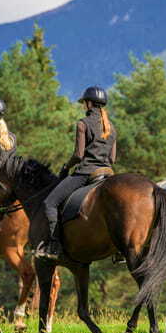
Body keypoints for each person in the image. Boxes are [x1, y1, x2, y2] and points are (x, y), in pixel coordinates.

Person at [40, 86, 117, 260]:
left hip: (87, 172)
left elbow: (78, 155)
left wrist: (66, 167)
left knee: (50, 203)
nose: (84, 105)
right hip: (108, 172)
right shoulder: (111, 128)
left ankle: (54, 245)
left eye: (85, 103)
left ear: (89, 104)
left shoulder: (83, 124)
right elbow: (112, 158)